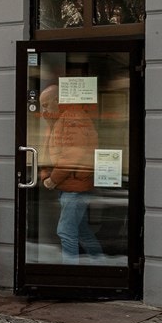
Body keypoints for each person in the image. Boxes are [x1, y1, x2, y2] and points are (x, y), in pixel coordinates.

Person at [41, 90, 102, 261]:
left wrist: (53, 178)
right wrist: (45, 173)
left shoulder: (73, 118)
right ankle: (99, 263)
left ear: (57, 99)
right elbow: (49, 151)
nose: (44, 110)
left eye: (46, 104)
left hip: (74, 186)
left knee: (66, 231)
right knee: (81, 231)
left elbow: (72, 154)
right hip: (70, 184)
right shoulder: (60, 119)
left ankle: (69, 272)